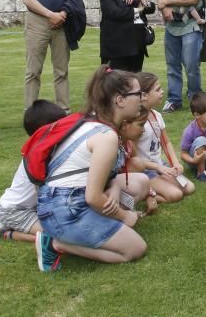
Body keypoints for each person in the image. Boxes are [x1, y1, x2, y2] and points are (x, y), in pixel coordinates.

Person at [34, 67, 148, 272]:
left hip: (55, 201)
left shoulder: (92, 122)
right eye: (138, 94)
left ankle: (77, 233)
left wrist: (113, 189)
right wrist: (124, 216)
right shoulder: (107, 136)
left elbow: (101, 177)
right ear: (120, 100)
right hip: (66, 208)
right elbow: (93, 197)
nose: (142, 98)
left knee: (140, 182)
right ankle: (56, 244)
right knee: (135, 249)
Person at [0, 100, 67, 242]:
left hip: (31, 208)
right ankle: (5, 232)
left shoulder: (48, 151)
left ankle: (17, 226)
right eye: (61, 126)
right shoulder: (38, 158)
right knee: (57, 235)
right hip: (14, 211)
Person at [135, 72, 195, 202]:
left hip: (160, 165)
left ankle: (156, 187)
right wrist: (158, 168)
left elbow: (166, 143)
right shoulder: (134, 122)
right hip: (144, 171)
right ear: (144, 96)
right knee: (176, 195)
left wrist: (175, 163)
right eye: (157, 89)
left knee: (189, 188)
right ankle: (147, 194)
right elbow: (133, 158)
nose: (162, 92)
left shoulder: (157, 115)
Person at [99, 0, 155, 72]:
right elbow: (116, 13)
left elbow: (151, 8)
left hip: (137, 46)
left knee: (135, 80)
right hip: (117, 48)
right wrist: (139, 9)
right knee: (116, 83)